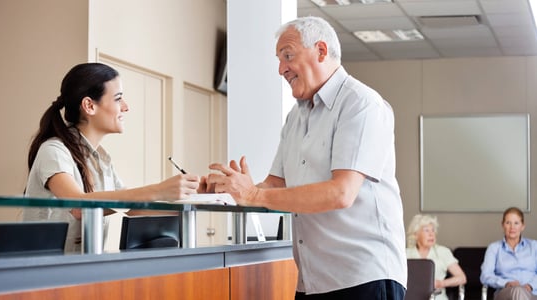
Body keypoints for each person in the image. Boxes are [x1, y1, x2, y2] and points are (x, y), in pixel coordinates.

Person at [204, 16, 407, 299]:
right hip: (313, 280)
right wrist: (231, 188)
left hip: (363, 278)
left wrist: (253, 195)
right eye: (278, 59)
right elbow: (275, 186)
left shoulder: (361, 104)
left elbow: (341, 193)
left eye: (287, 56)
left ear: (321, 51)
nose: (280, 69)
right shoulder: (296, 116)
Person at [23, 62, 201, 253]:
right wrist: (159, 190)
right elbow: (79, 206)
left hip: (80, 268)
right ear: (89, 106)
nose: (126, 107)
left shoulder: (102, 159)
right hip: (43, 271)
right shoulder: (53, 151)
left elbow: (133, 208)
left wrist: (195, 196)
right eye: (118, 99)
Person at [480, 207, 537, 300]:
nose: (512, 227)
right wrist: (506, 283)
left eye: (516, 223)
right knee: (517, 291)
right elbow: (485, 276)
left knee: (520, 292)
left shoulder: (534, 246)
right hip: (505, 293)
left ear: (522, 226)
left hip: (533, 294)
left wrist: (530, 286)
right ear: (502, 225)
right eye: (508, 223)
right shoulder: (494, 248)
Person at [406, 214, 467, 300]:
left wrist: (441, 283)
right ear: (416, 234)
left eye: (433, 230)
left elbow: (462, 278)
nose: (431, 234)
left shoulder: (443, 252)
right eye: (426, 230)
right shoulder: (406, 254)